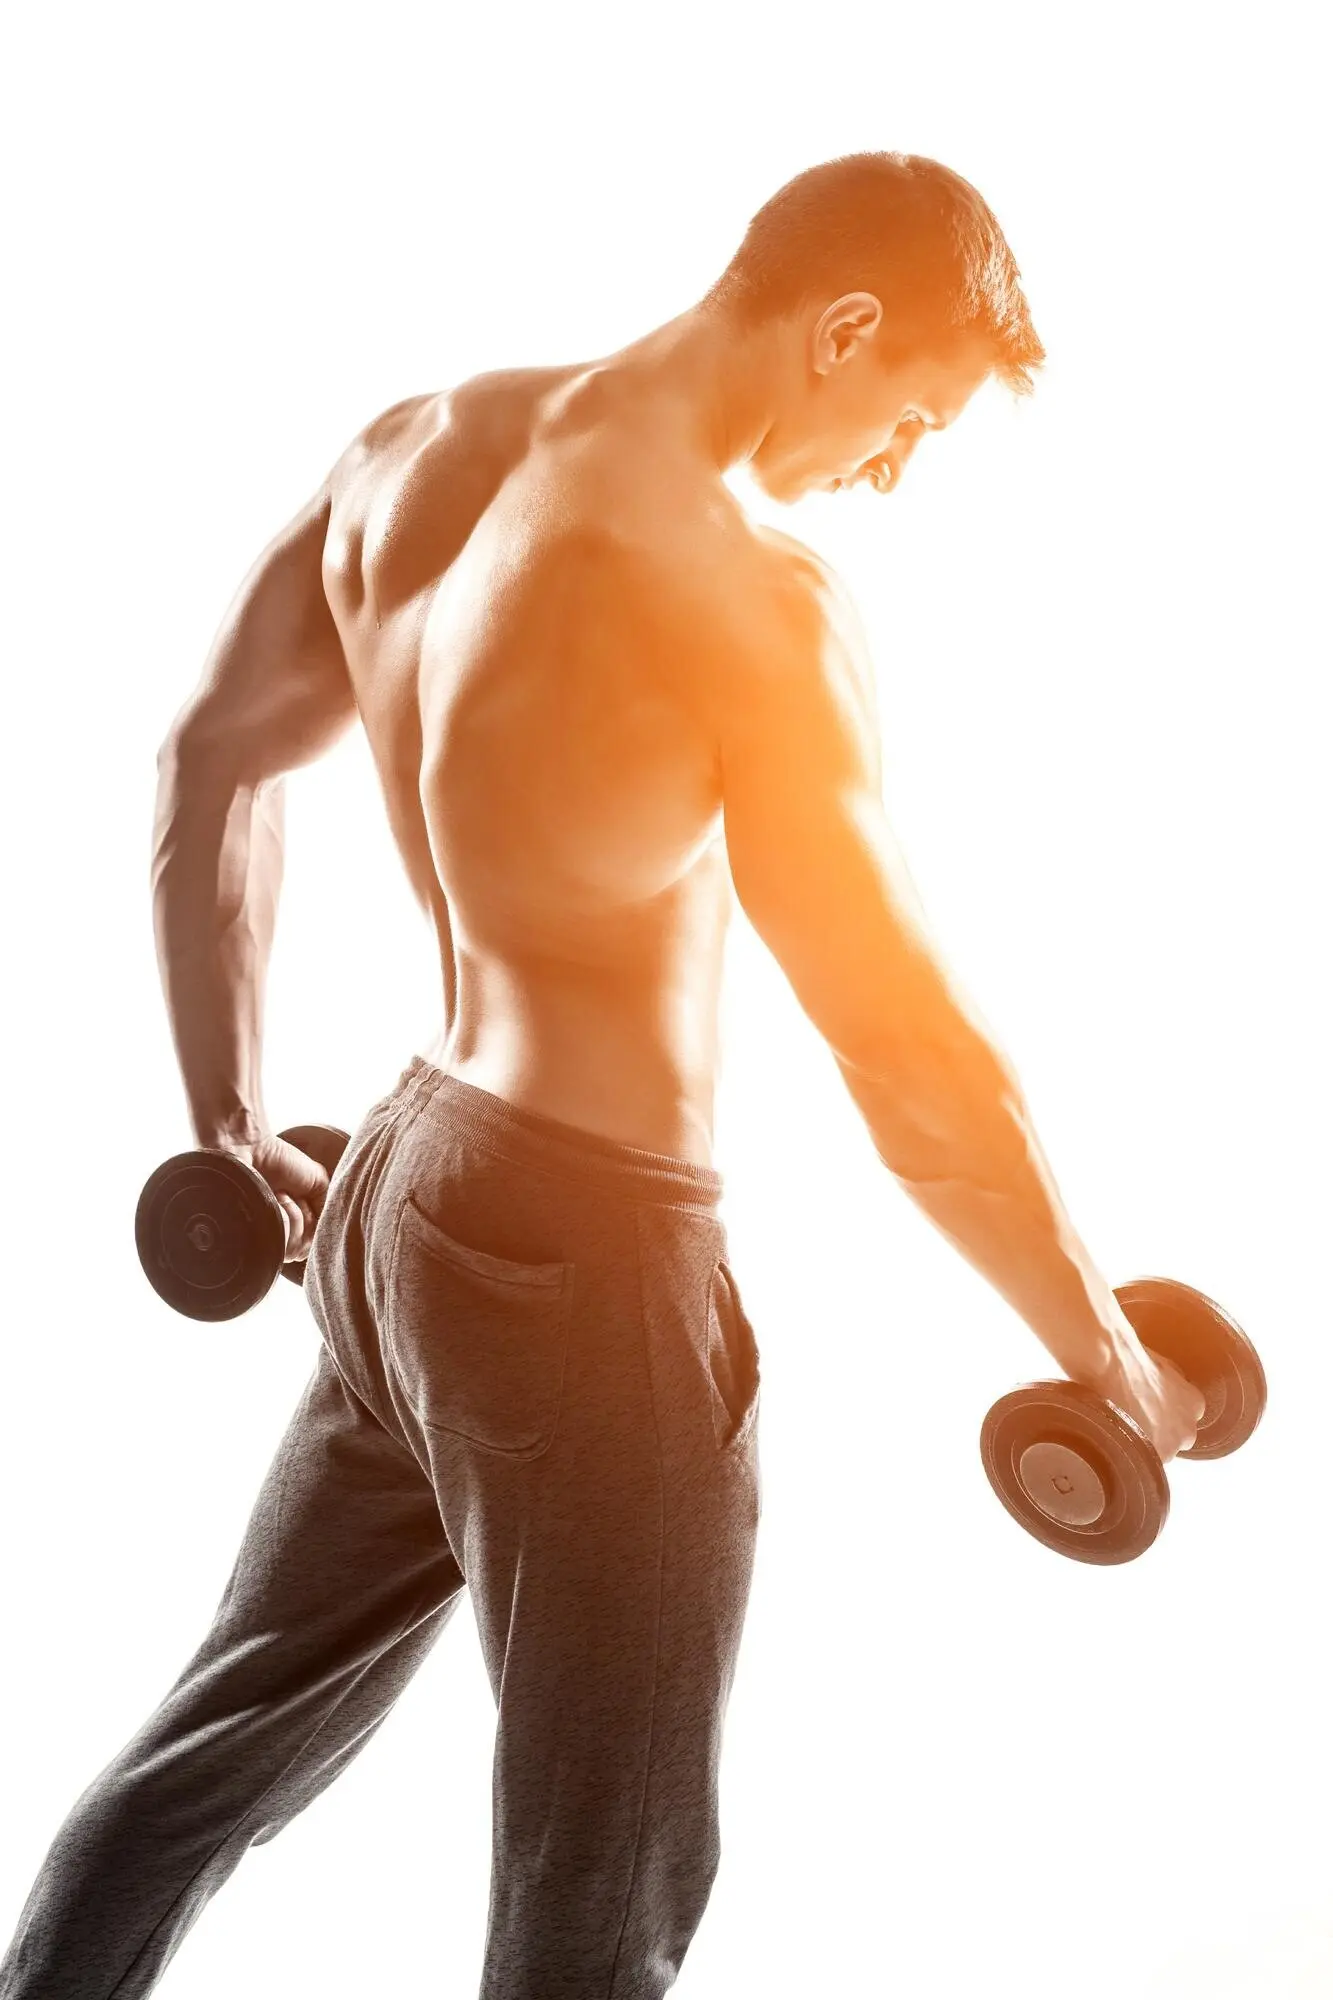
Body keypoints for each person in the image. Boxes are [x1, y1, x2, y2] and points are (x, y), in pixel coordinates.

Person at [0, 151, 1205, 2000]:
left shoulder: (415, 450)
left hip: (398, 1205)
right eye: (913, 422)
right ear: (848, 324)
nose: (895, 471)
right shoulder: (752, 599)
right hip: (588, 1271)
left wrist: (229, 1135)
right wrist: (1094, 1344)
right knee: (604, 1872)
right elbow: (903, 1050)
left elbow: (210, 765)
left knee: (206, 1758)